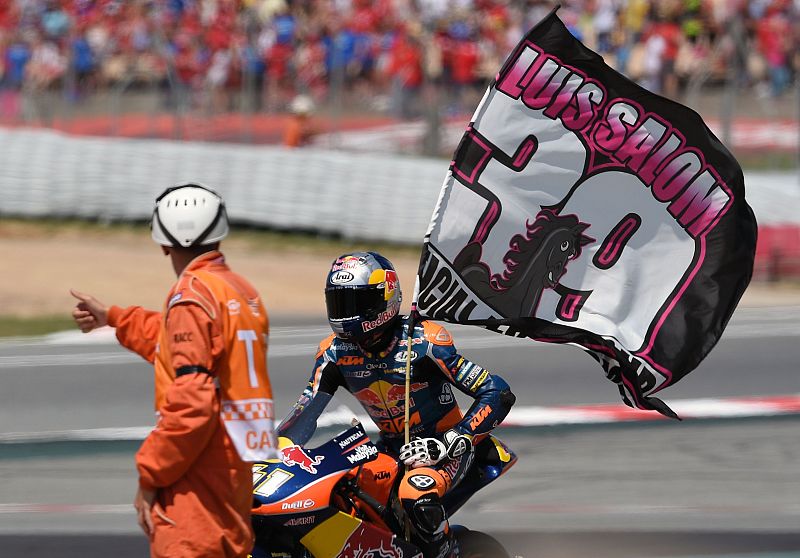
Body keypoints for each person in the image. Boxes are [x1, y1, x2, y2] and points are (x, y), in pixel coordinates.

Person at [70, 183, 278, 558]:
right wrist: (114, 317)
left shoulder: (191, 295)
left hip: (196, 470)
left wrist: (150, 474)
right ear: (219, 232)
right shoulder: (240, 290)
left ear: (164, 243)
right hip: (235, 467)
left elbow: (193, 402)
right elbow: (176, 342)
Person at [277, 251, 516, 558]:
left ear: (384, 300)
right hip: (391, 449)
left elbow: (497, 392)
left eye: (356, 302)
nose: (345, 313)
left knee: (415, 492)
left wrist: (448, 443)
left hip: (445, 449)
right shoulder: (333, 353)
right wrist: (272, 450)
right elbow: (305, 409)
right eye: (339, 302)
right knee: (335, 487)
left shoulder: (425, 341)